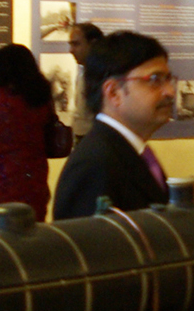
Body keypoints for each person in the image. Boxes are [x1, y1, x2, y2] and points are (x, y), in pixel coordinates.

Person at [52, 31, 175, 219]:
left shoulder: (128, 150)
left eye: (168, 79)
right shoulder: (93, 166)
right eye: (154, 80)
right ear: (114, 92)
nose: (170, 92)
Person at [0, 44, 56, 221]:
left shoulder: (0, 101)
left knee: (3, 229)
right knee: (33, 226)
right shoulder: (40, 96)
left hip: (1, 179)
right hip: (34, 173)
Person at [68, 21, 103, 141]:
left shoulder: (103, 75)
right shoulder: (82, 71)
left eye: (76, 44)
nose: (71, 50)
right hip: (83, 137)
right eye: (71, 45)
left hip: (95, 139)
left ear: (92, 44)